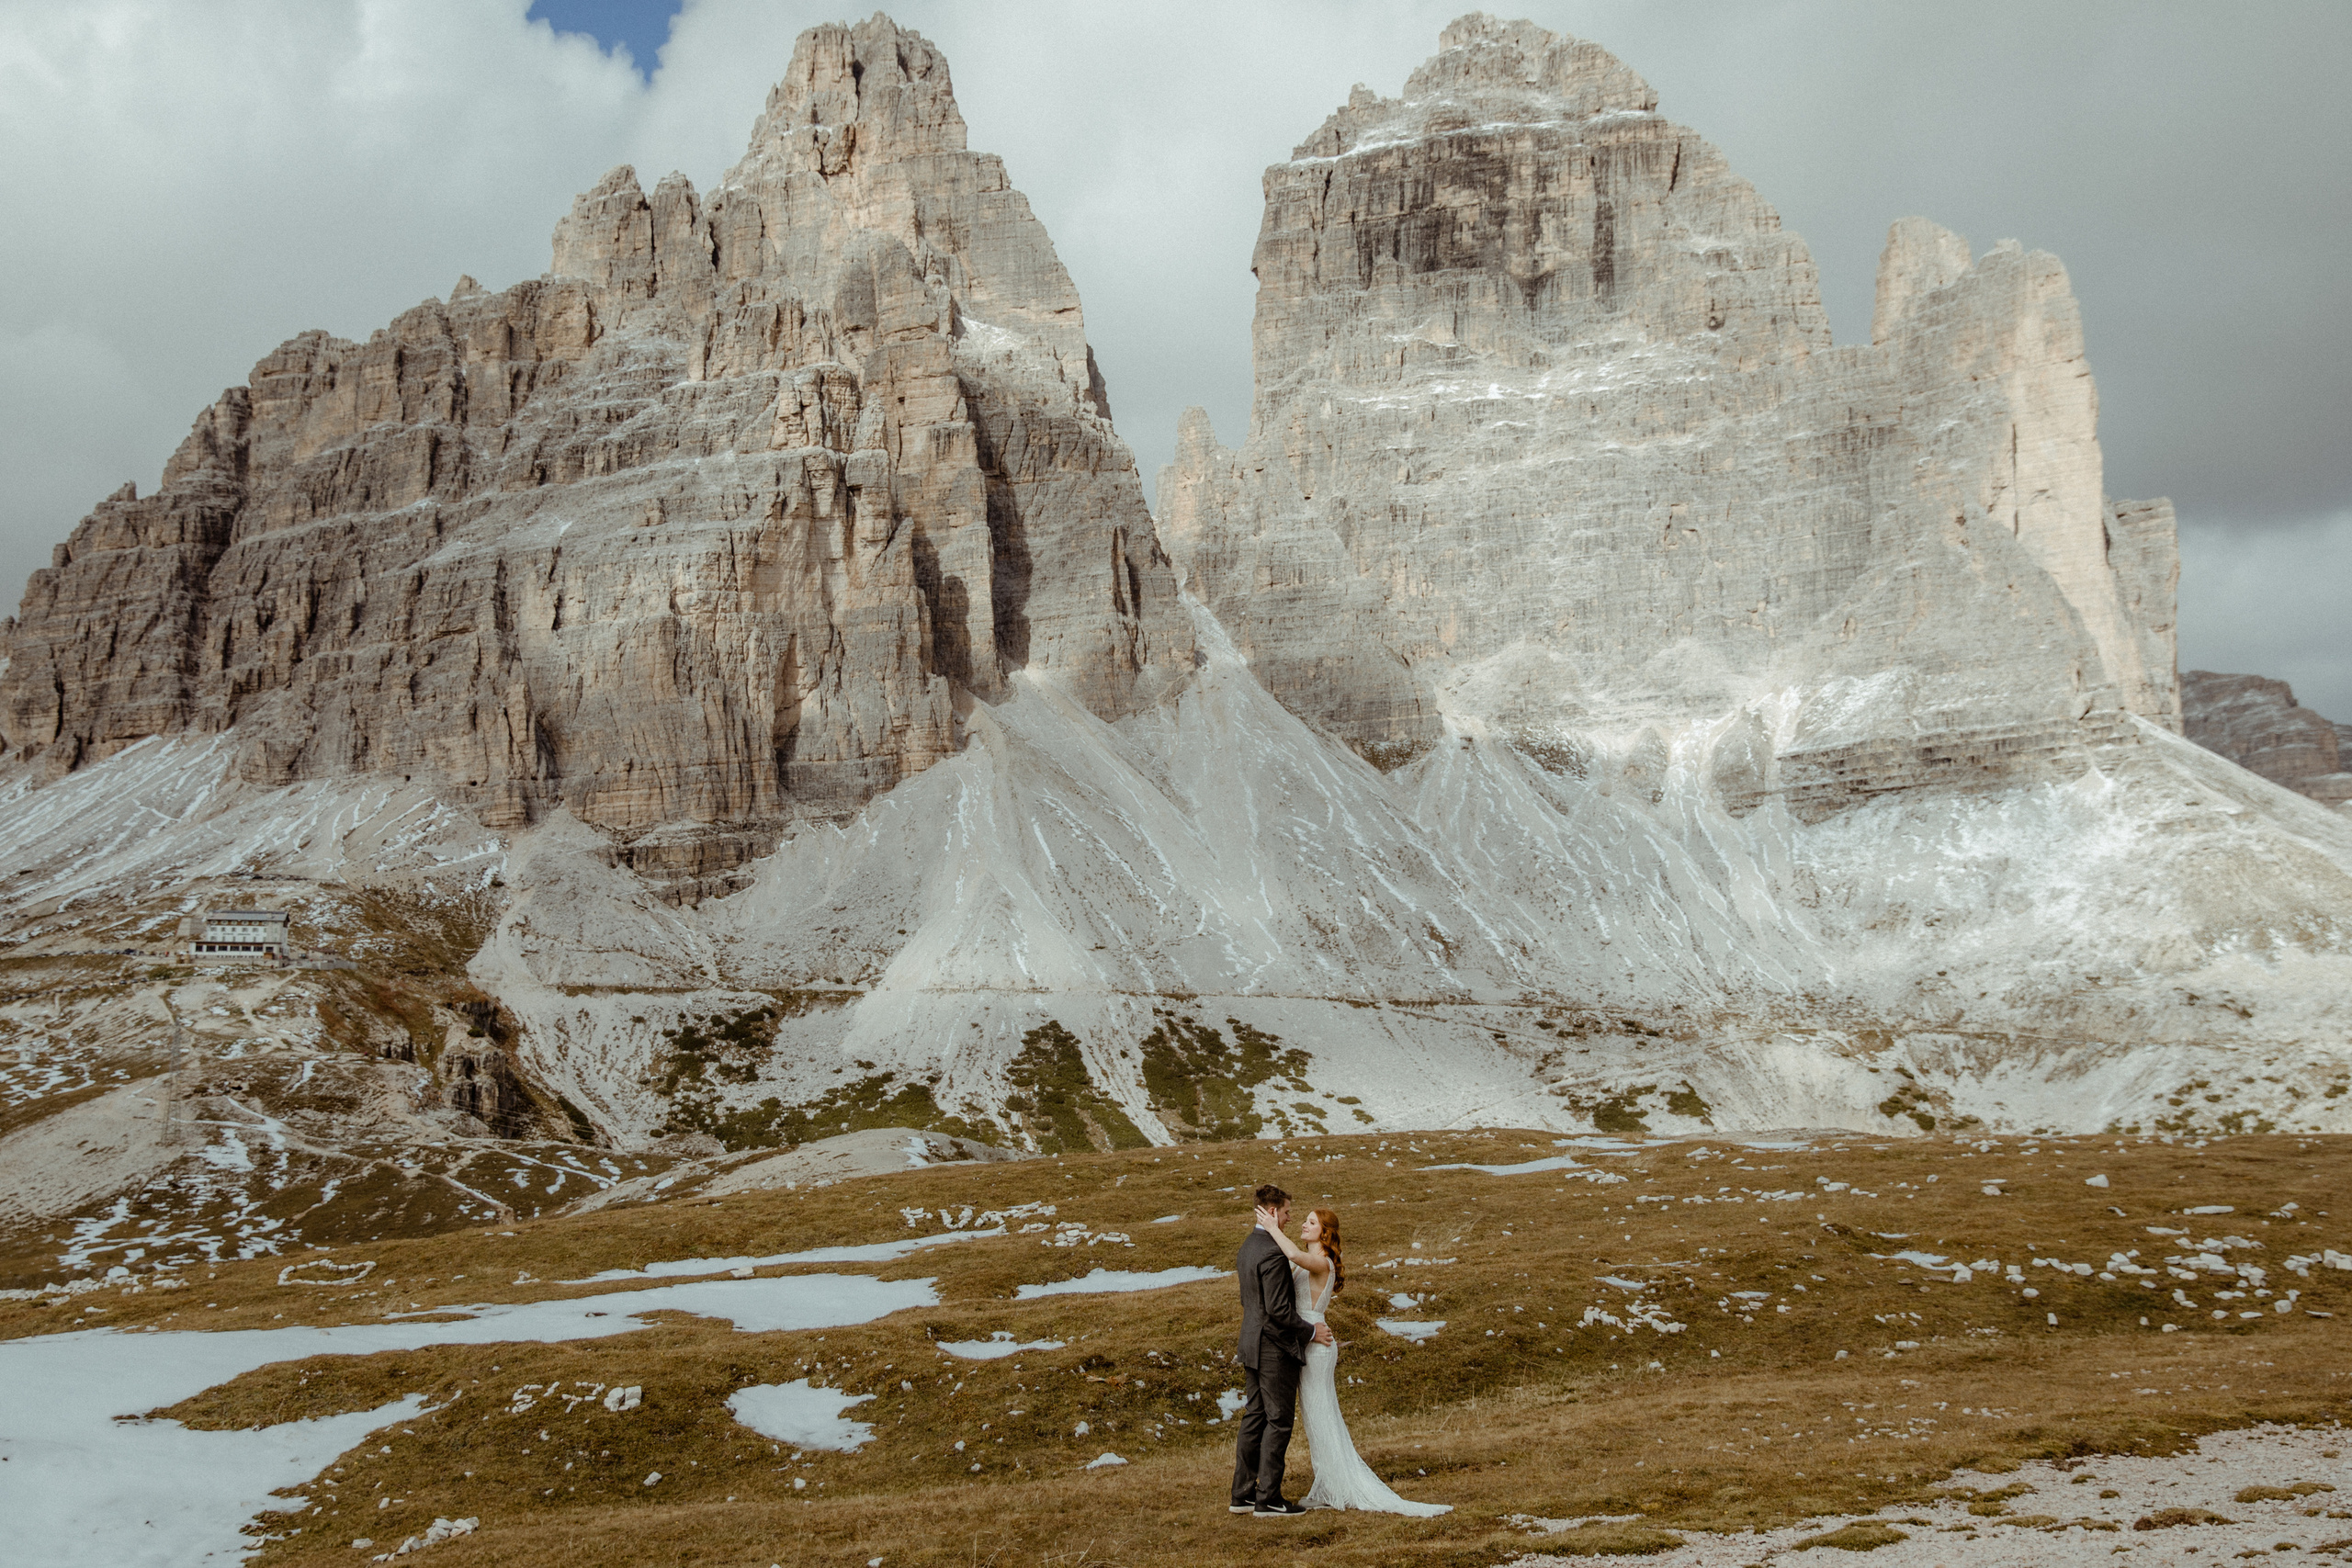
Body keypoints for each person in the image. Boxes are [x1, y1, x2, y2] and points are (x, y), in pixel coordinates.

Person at [1256, 1201, 1452, 1515]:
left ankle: (1339, 1487)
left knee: (1321, 1416)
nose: (1304, 1226)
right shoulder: (1310, 1261)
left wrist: (1272, 1227)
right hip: (1307, 1338)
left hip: (1316, 1343)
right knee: (1315, 1418)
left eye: (1310, 1223)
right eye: (1303, 1221)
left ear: (1324, 1233)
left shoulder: (1323, 1262)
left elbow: (1292, 1255)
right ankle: (1328, 1484)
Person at [1230, 1182, 1329, 1517]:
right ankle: (1269, 1498)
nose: (1290, 1218)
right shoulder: (1273, 1252)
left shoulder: (1248, 1246)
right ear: (1273, 1212)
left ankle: (1241, 1495)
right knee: (1279, 1420)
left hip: (1250, 1342)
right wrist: (1310, 1331)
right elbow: (1279, 1311)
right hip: (1273, 1349)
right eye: (1287, 1212)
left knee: (1254, 1417)